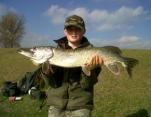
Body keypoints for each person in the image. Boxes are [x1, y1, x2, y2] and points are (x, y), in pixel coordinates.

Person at [41, 15, 103, 117]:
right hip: (56, 105)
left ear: (84, 31)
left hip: (80, 106)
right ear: (65, 31)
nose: (74, 32)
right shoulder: (53, 53)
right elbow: (52, 83)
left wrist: (89, 70)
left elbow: (87, 85)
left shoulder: (93, 54)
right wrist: (46, 71)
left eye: (78, 29)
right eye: (70, 29)